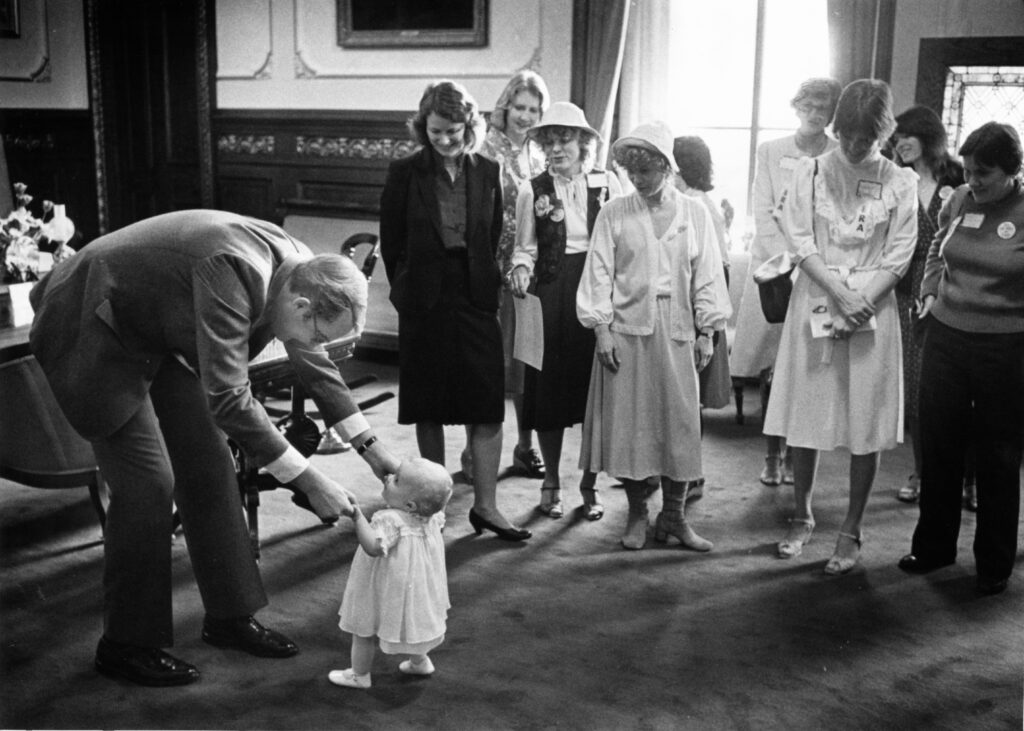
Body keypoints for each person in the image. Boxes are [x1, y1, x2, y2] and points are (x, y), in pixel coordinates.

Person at [27, 209, 402, 686]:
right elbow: (230, 399)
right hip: (91, 317)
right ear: (304, 308)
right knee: (147, 482)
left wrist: (371, 449)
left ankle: (229, 617)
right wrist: (308, 480)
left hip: (155, 322)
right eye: (319, 333)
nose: (317, 343)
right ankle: (125, 643)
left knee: (209, 460)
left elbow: (314, 362)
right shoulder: (228, 272)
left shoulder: (304, 273)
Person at [763, 79, 917, 575]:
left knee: (864, 420)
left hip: (874, 307)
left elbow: (900, 253)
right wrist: (839, 292)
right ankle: (802, 514)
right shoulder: (810, 172)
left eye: (866, 139)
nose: (855, 146)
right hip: (819, 296)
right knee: (807, 412)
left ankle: (851, 528)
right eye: (848, 135)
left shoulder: (900, 181)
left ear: (883, 134)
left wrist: (862, 300)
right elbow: (801, 239)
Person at [379, 80, 530, 542]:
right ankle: (432, 508)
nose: (445, 139)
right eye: (436, 131)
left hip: (474, 294)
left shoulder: (487, 169)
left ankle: (486, 507)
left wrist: (486, 283)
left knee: (485, 404)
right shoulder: (405, 171)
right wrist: (407, 290)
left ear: (471, 125)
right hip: (424, 298)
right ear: (423, 127)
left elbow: (492, 233)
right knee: (430, 404)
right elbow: (392, 241)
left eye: (454, 130)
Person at [577, 121, 730, 550]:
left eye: (647, 171)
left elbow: (707, 277)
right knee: (633, 428)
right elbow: (599, 272)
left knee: (680, 425)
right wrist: (601, 329)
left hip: (678, 327)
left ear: (666, 166)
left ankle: (675, 517)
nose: (638, 180)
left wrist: (708, 332)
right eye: (632, 172)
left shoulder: (694, 212)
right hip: (626, 329)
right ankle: (637, 513)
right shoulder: (615, 212)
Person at [899, 122, 1024, 596]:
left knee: (997, 455)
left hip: (1006, 347)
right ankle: (933, 547)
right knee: (939, 447)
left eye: (985, 173)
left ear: (1012, 171)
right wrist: (929, 289)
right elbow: (936, 247)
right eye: (969, 170)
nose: (973, 180)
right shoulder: (959, 200)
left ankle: (993, 562)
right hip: (947, 338)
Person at [508, 102, 622, 520]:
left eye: (565, 139)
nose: (556, 148)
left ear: (584, 143)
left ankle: (590, 485)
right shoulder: (532, 188)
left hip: (599, 288)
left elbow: (623, 241)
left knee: (595, 393)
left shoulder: (609, 183)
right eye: (549, 141)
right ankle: (552, 480)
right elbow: (525, 248)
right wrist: (520, 270)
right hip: (554, 292)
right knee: (551, 393)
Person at [729, 77, 842, 487]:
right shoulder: (771, 151)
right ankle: (772, 452)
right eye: (808, 105)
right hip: (775, 271)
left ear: (833, 114)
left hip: (819, 271)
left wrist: (812, 261)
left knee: (810, 363)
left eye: (823, 107)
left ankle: (800, 451)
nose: (815, 114)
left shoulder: (838, 154)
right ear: (796, 107)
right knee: (771, 365)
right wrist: (786, 261)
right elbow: (763, 209)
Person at [459, 69, 550, 483]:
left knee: (525, 362)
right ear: (505, 106)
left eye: (534, 109)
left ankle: (525, 446)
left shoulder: (541, 153)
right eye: (519, 107)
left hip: (526, 272)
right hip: (488, 269)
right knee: (484, 365)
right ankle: (471, 452)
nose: (526, 116)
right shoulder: (485, 148)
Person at [888, 105, 969, 506]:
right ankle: (921, 472)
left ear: (928, 136)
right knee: (916, 391)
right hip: (902, 292)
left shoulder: (957, 176)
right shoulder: (892, 179)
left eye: (908, 135)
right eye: (896, 137)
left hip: (952, 291)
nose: (899, 143)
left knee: (958, 391)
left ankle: (968, 480)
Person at [330, 457, 453, 688]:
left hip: (384, 585)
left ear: (409, 505)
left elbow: (373, 547)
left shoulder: (390, 520)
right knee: (415, 620)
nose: (388, 478)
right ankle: (420, 661)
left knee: (364, 625)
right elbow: (439, 498)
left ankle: (360, 675)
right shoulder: (432, 516)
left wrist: (357, 518)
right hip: (416, 585)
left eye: (396, 480)